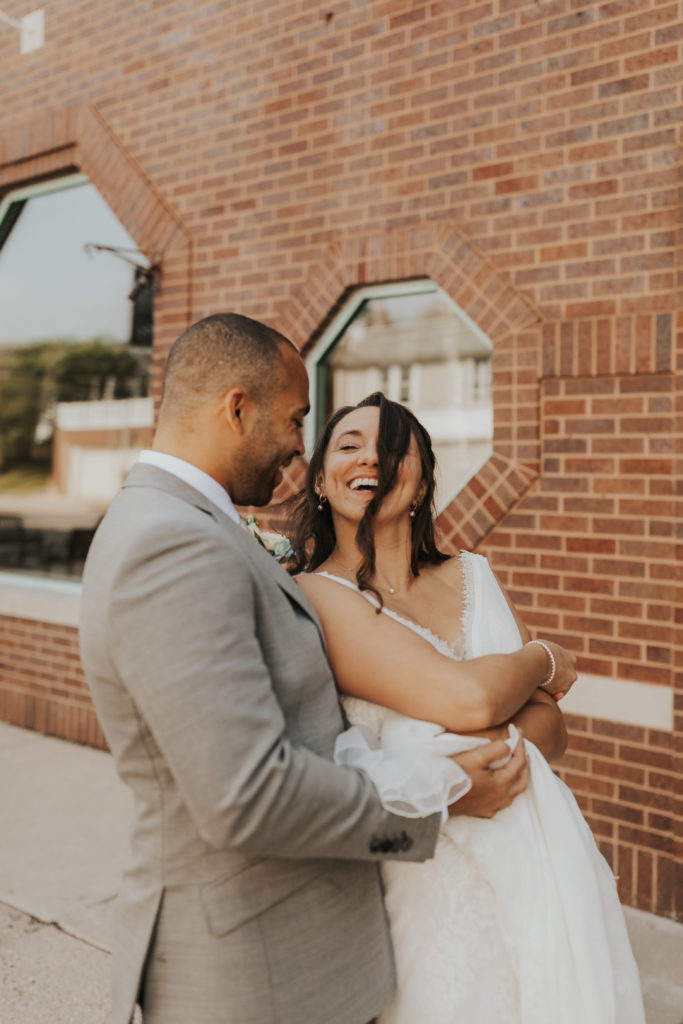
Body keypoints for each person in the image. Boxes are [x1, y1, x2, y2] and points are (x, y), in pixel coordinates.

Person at [79, 314, 574, 1024]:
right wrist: (440, 797)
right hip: (247, 969)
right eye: (295, 418)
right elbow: (246, 794)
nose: (295, 446)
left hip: (301, 950)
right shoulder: (171, 543)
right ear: (236, 407)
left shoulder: (197, 529)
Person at [294, 392, 646, 1024]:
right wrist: (540, 658)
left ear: (423, 478)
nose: (371, 456)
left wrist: (477, 739)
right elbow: (474, 697)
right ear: (320, 480)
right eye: (348, 445)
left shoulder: (475, 575)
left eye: (394, 446)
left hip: (540, 859)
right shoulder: (315, 595)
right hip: (419, 881)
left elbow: (554, 728)